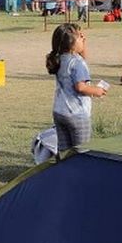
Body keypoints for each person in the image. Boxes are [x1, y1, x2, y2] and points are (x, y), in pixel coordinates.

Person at [46, 23, 108, 152]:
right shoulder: (77, 62)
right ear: (71, 43)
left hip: (59, 112)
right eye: (80, 38)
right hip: (77, 114)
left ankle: (64, 172)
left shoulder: (60, 59)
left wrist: (82, 43)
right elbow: (80, 87)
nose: (83, 39)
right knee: (82, 152)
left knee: (64, 153)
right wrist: (97, 91)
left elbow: (82, 57)